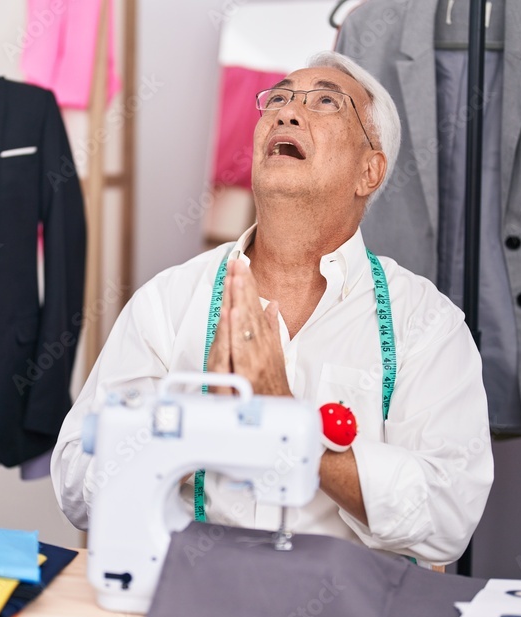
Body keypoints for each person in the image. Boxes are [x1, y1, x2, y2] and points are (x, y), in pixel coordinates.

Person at [51, 51, 494, 566]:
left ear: (369, 172)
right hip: (196, 605)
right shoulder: (168, 302)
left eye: (326, 102)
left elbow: (449, 516)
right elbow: (75, 487)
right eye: (279, 99)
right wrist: (195, 424)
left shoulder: (426, 325)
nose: (286, 112)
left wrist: (289, 424)